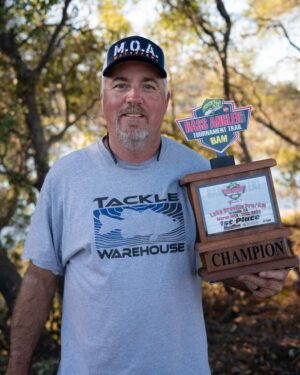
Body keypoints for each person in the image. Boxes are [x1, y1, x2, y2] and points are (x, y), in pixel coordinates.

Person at [6, 35, 288, 375]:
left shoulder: (195, 171)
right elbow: (40, 276)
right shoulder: (66, 177)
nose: (133, 98)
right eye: (120, 84)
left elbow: (221, 259)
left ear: (166, 101)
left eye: (149, 86)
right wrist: (17, 367)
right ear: (103, 99)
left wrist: (258, 277)